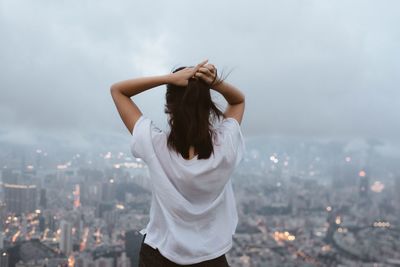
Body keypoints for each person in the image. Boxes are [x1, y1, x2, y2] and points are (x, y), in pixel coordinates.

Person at [110, 59, 245, 266]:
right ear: (208, 107)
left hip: (159, 255)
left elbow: (118, 90)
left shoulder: (155, 145)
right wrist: (213, 82)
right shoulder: (224, 147)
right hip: (210, 257)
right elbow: (238, 101)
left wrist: (168, 78)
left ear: (169, 107)